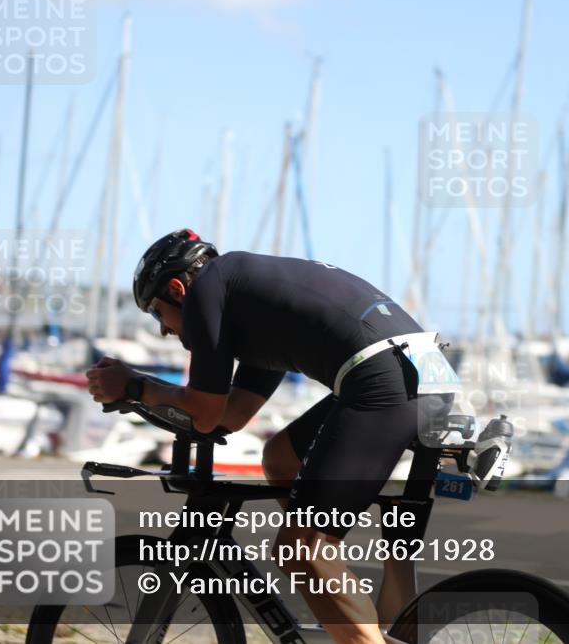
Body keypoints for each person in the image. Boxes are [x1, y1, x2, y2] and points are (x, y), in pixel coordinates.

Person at [86, 228, 456, 644]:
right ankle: (367, 607)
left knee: (301, 550)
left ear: (176, 289)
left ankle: (331, 579)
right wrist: (147, 392)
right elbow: (232, 414)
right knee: (280, 459)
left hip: (385, 378)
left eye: (157, 314)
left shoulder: (207, 289)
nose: (163, 331)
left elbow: (205, 414)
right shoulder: (248, 304)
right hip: (419, 370)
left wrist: (135, 385)